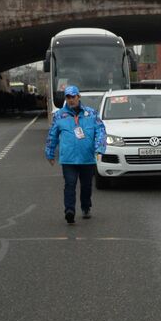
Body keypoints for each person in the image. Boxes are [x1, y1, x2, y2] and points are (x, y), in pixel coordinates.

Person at [44, 85, 106, 223]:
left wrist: (99, 148)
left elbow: (101, 130)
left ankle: (86, 207)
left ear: (78, 97)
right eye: (68, 97)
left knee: (86, 186)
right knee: (70, 184)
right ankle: (69, 210)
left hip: (87, 158)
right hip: (68, 159)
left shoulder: (91, 113)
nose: (71, 100)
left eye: (73, 97)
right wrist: (50, 153)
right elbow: (52, 135)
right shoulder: (59, 115)